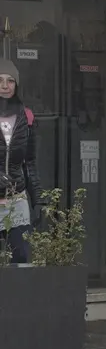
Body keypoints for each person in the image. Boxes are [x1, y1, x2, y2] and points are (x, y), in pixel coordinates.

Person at [0, 59, 41, 264]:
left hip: (17, 198)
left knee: (21, 258)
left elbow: (30, 162)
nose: (5, 86)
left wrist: (38, 199)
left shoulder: (27, 116)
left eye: (10, 81)